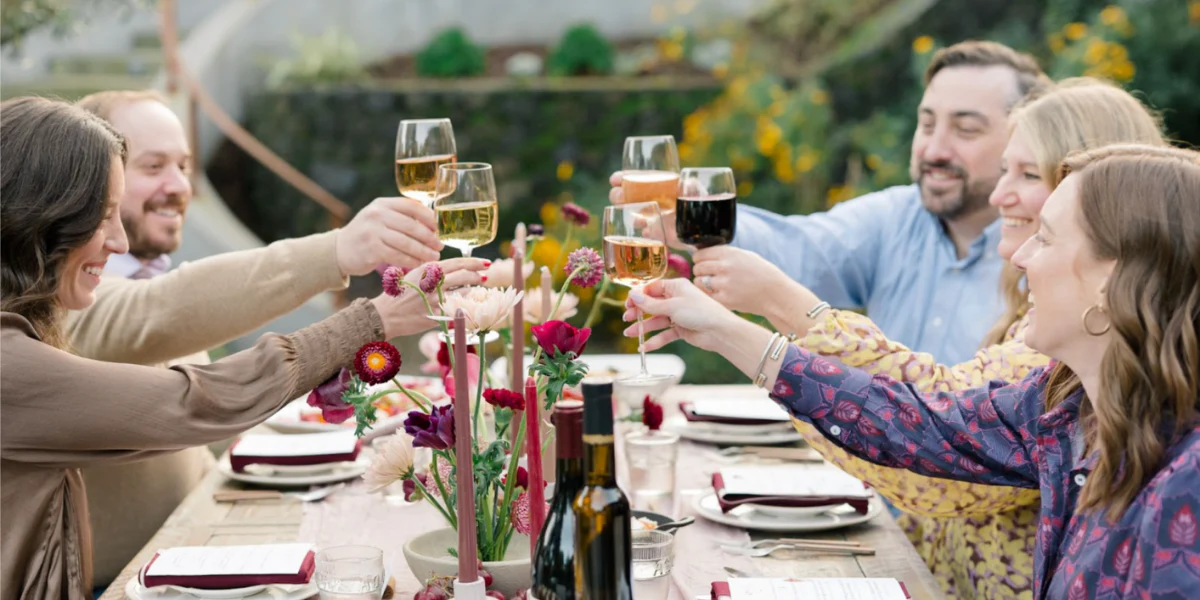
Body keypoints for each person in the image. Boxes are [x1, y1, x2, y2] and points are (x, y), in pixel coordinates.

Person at [624, 143, 1200, 598]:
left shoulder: (1185, 482)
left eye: (1045, 239)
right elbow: (916, 423)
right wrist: (723, 331)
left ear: (1108, 280)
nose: (1019, 255)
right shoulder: (1068, 406)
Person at [0, 97, 477, 599]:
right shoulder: (25, 349)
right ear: (38, 215)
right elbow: (187, 394)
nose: (117, 239)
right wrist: (366, 311)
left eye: (184, 166)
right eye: (100, 216)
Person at [611, 40, 1050, 364]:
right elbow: (801, 250)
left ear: (1024, 139)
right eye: (927, 124)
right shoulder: (896, 217)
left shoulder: (1051, 252)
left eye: (966, 129)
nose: (934, 149)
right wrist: (693, 223)